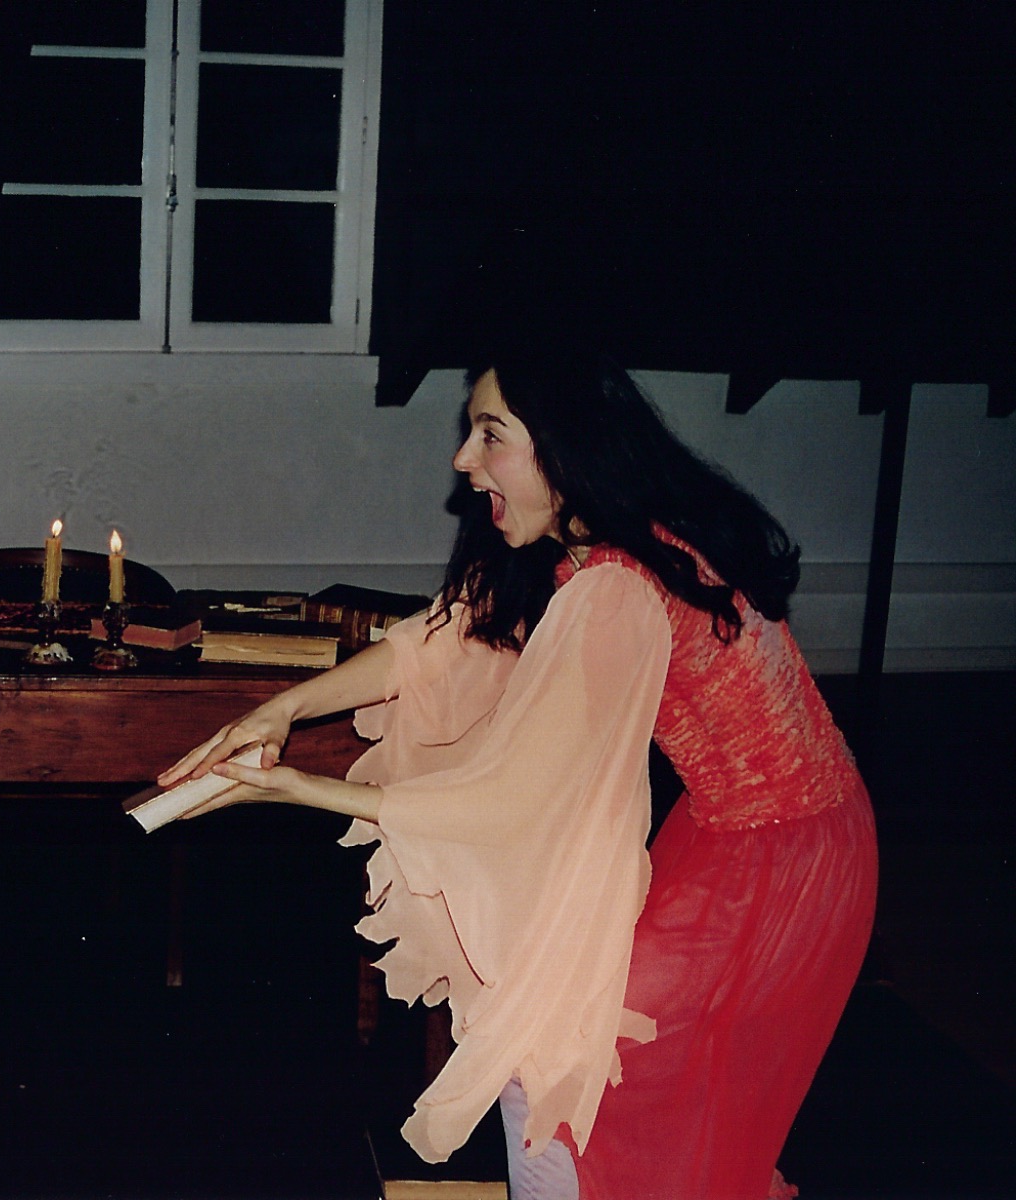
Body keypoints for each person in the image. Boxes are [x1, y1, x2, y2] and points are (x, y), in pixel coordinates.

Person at [160, 344, 876, 1200]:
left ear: (565, 447)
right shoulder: (604, 536)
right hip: (763, 834)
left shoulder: (616, 587)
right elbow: (444, 645)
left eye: (491, 436)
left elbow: (512, 801)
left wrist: (295, 787)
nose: (464, 461)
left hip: (780, 865)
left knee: (557, 1060)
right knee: (589, 1068)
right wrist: (283, 709)